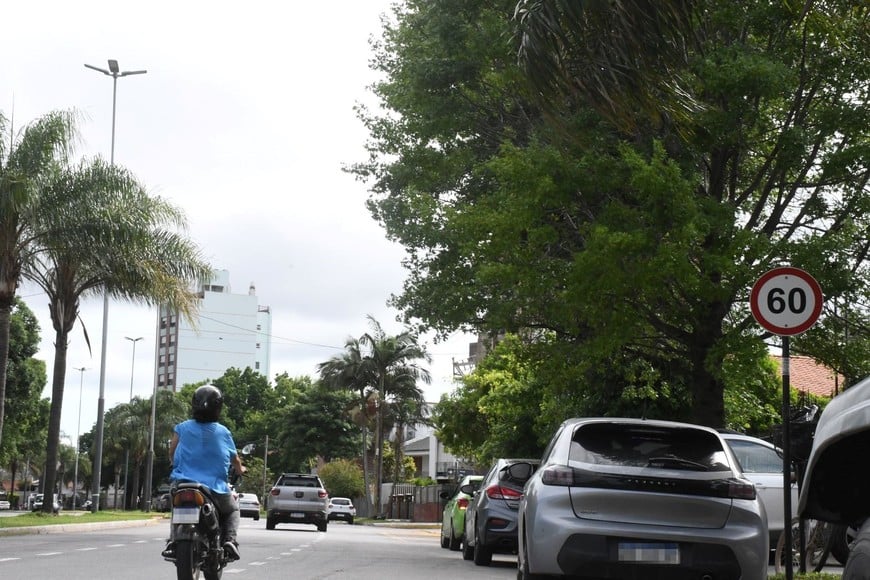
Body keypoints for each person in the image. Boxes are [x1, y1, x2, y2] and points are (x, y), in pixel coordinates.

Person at [162, 384, 246, 561]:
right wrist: (241, 470)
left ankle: (173, 540)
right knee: (232, 510)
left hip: (183, 483)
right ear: (218, 407)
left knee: (177, 508)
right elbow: (235, 460)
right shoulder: (224, 432)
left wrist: (174, 463)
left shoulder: (182, 427)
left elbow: (172, 451)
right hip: (214, 488)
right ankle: (230, 540)